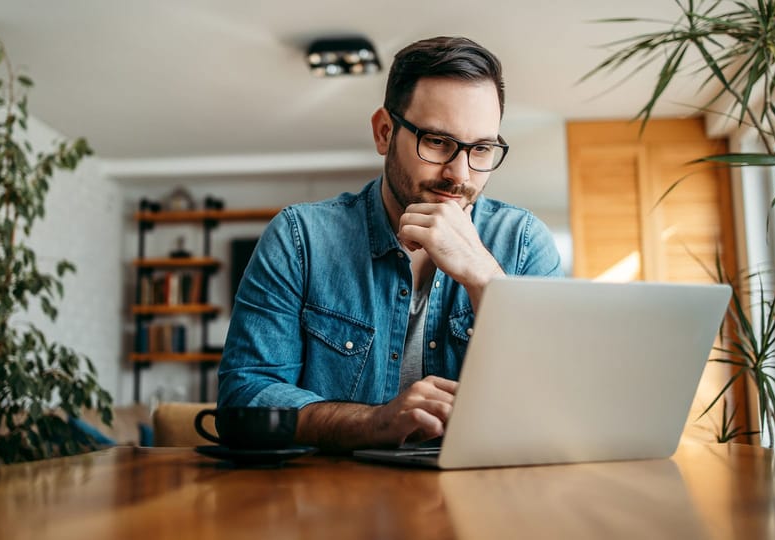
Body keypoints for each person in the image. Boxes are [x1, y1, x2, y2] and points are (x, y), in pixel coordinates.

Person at [218, 36, 563, 451]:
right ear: (384, 132)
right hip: (330, 502)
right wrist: (373, 422)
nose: (460, 173)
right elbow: (245, 398)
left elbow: (559, 408)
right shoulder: (300, 239)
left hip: (481, 501)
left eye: (482, 148)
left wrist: (486, 280)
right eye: (437, 141)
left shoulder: (524, 243)